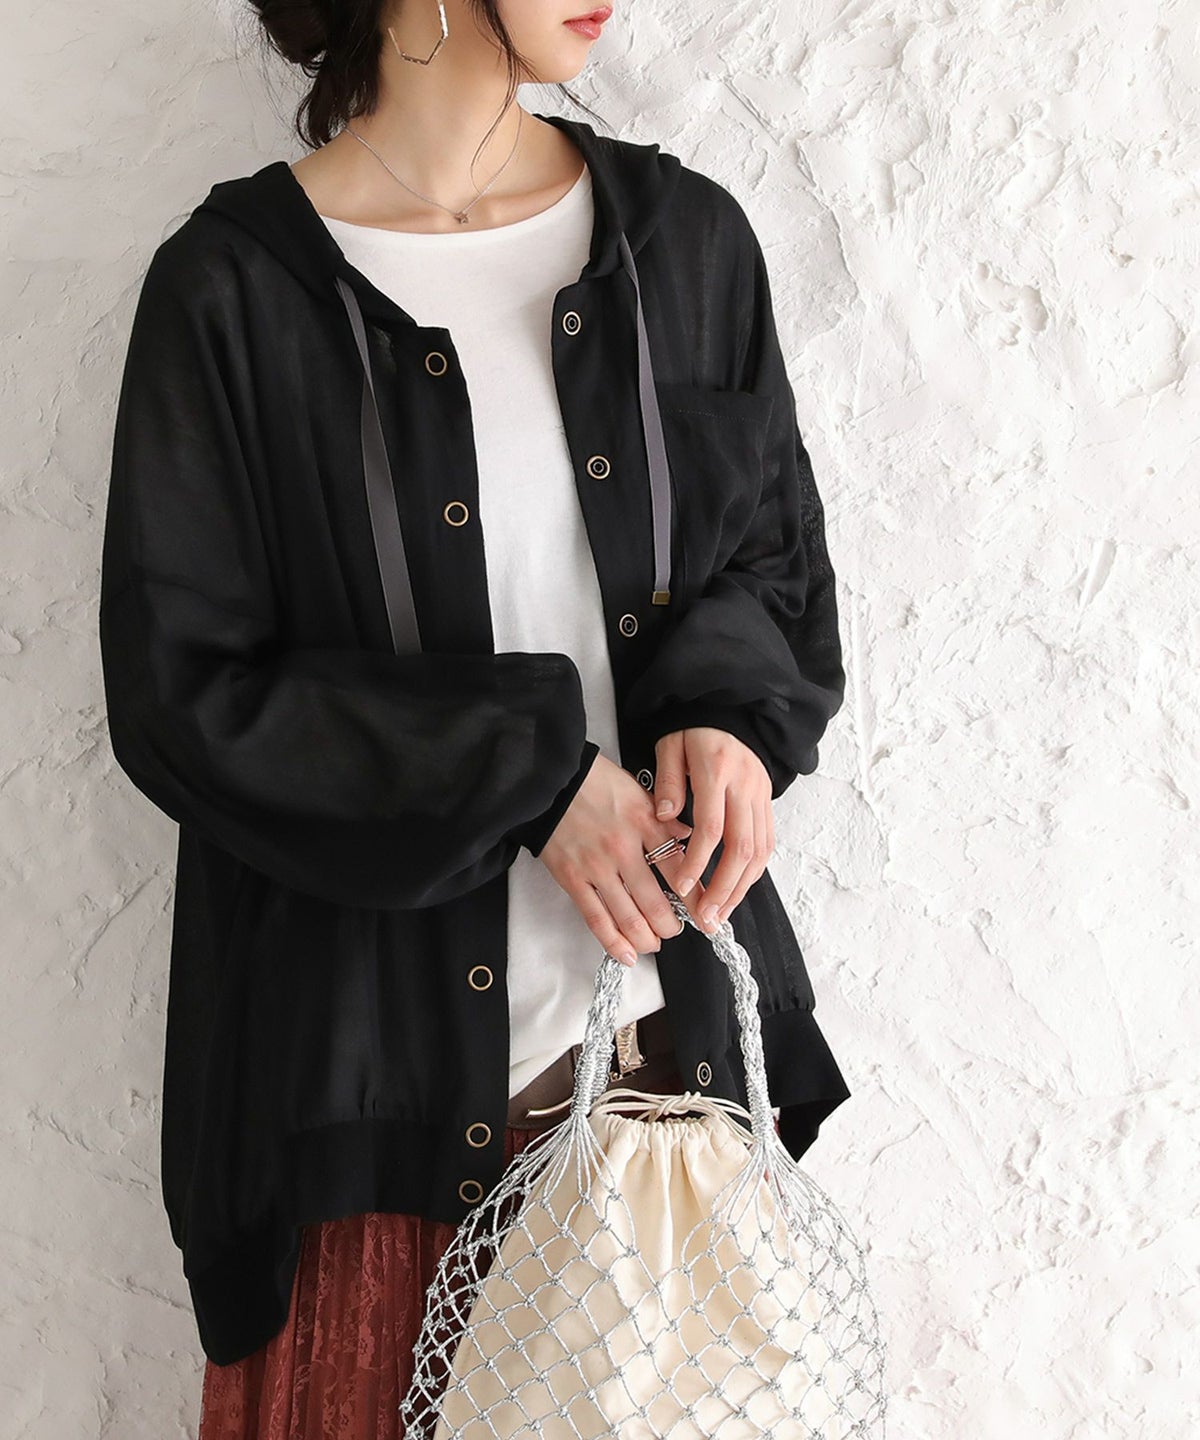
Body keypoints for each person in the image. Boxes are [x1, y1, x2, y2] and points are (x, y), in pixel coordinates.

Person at [97, 0, 853, 1432]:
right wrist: (529, 778)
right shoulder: (235, 291)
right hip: (372, 1137)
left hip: (659, 1107)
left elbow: (771, 566)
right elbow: (185, 696)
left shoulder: (683, 245)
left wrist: (728, 717)